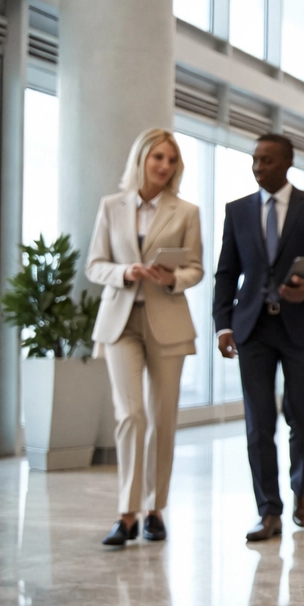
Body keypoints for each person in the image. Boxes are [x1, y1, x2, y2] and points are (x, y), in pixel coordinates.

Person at [213, 133, 304, 542]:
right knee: (258, 423)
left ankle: (300, 488)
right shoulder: (237, 211)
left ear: (288, 162)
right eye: (255, 160)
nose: (258, 167)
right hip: (253, 328)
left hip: (300, 328)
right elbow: (226, 274)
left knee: (302, 416)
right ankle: (268, 511)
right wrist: (223, 324)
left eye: (267, 161)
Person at [85, 129, 204, 547]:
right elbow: (94, 265)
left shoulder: (186, 211)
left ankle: (155, 509)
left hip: (167, 321)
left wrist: (172, 278)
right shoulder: (111, 207)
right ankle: (127, 514)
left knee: (162, 418)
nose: (164, 166)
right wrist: (124, 272)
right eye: (158, 158)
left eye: (171, 160)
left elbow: (195, 268)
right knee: (130, 415)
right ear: (141, 159)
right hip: (120, 323)